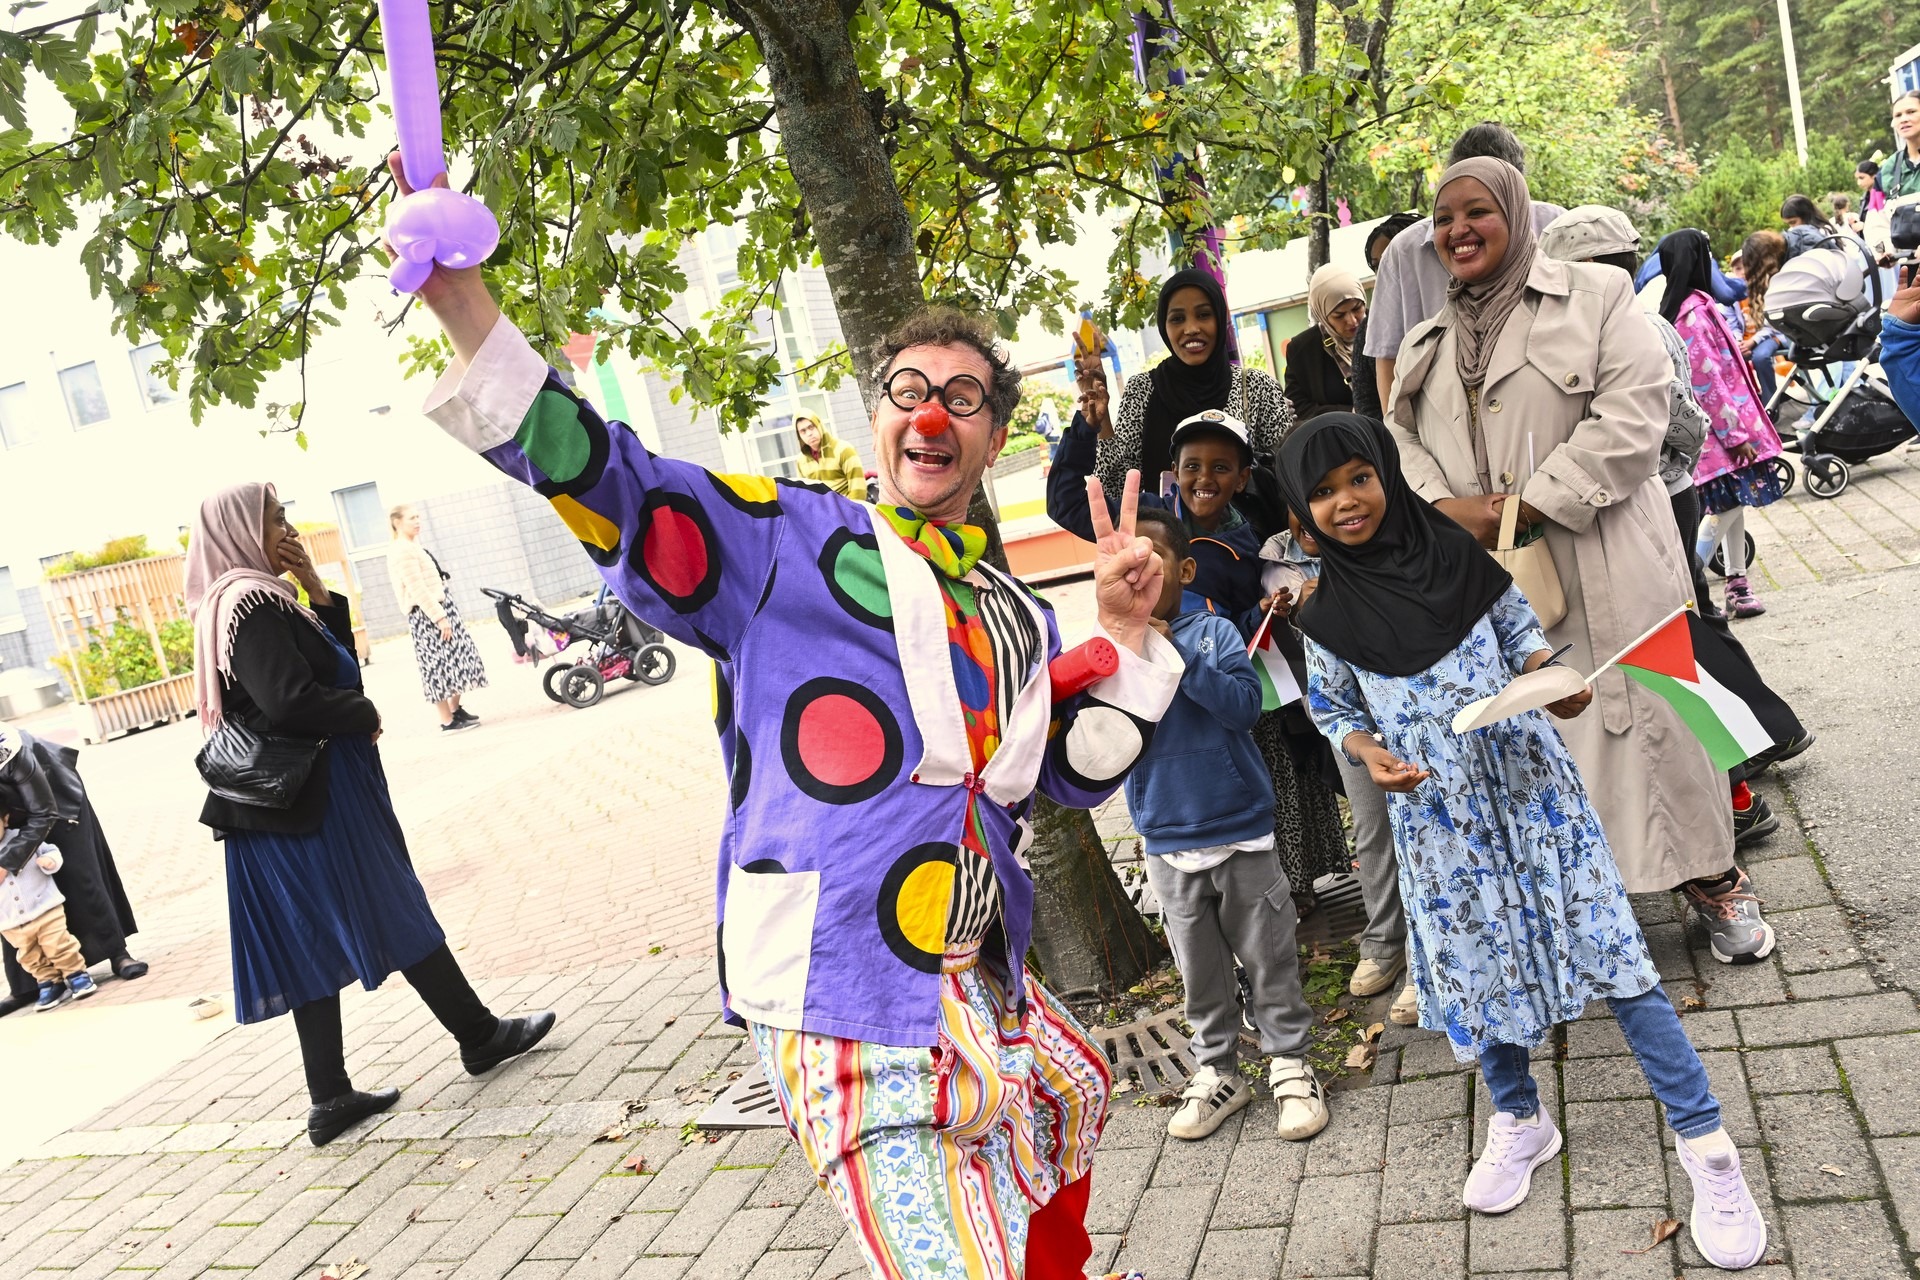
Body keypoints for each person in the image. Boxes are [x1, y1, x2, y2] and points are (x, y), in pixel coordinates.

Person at [393, 152, 1184, 1280]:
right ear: (876, 421)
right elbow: (620, 484)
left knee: (1071, 1092)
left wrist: (1128, 633)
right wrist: (461, 302)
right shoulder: (785, 542)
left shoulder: (1011, 612)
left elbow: (1069, 772)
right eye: (909, 390)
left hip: (976, 979)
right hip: (841, 993)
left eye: (963, 398)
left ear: (993, 439)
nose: (931, 413)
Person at [1281, 413, 1768, 1270]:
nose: (1345, 501)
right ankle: (1518, 1117)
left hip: (1534, 798)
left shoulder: (1460, 560)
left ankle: (1708, 1147)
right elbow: (1336, 712)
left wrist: (1555, 681)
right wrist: (1368, 754)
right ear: (1301, 510)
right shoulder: (1324, 616)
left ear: (1388, 474)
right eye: (1321, 492)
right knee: (1474, 969)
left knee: (1618, 958)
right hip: (1438, 824)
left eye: (1359, 476)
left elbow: (1520, 638)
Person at [1384, 156, 1774, 963]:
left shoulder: (1596, 300)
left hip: (1612, 564)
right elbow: (1401, 444)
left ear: (1517, 214)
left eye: (1477, 210)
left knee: (1663, 723)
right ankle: (1594, 909)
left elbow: (1634, 417)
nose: (1458, 229)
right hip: (1502, 582)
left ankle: (1714, 879)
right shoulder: (1427, 342)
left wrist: (1532, 502)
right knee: (1549, 739)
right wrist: (1446, 508)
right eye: (1444, 217)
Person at [188, 482, 556, 1146]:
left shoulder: (247, 600)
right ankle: (478, 1035)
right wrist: (366, 715)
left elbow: (334, 665)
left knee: (310, 937)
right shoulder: (253, 607)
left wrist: (313, 584)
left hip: (281, 809)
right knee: (391, 901)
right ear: (241, 529)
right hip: (315, 801)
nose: (288, 529)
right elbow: (295, 701)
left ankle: (331, 1098)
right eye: (275, 519)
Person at [1541, 207, 1811, 853]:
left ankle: (1739, 777)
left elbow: (1671, 420)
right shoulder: (1652, 323)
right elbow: (1687, 422)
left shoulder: (1607, 333)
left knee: (1670, 641)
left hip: (1642, 507)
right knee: (1689, 624)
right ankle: (1761, 742)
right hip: (1674, 494)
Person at [1123, 507, 1329, 1144]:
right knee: (1199, 971)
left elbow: (1242, 708)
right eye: (1127, 567)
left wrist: (1175, 649)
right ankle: (1217, 1070)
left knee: (1269, 957)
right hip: (1166, 832)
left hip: (1241, 828)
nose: (1141, 576)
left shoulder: (1211, 633)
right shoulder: (1114, 649)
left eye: (1153, 561)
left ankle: (1290, 1062)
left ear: (1184, 569)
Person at [1259, 512, 1413, 1023]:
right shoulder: (1274, 556)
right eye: (1309, 493)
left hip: (1416, 708)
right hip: (1347, 717)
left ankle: (1430, 961)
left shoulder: (1396, 542)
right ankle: (1386, 942)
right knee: (1372, 830)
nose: (1322, 509)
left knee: (1430, 827)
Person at [1363, 123, 1567, 414]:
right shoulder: (1404, 251)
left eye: (1485, 207)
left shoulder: (1557, 227)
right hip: (1440, 429)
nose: (1461, 229)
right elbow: (1387, 357)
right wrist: (1400, 445)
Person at [1658, 229, 1787, 620]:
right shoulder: (1694, 314)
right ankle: (1691, 572)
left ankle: (1737, 583)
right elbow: (1708, 381)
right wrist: (1736, 436)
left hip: (1725, 430)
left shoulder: (1690, 306)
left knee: (1732, 504)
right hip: (1722, 434)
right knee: (1725, 507)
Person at [1093, 267, 1294, 502]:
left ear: (1220, 319)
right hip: (1162, 537)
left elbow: (1291, 475)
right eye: (1177, 319)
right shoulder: (1141, 390)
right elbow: (1118, 489)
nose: (1191, 329)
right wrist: (1102, 419)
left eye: (1204, 315)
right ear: (1164, 326)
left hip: (1245, 537)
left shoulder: (1256, 387)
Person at [0, 724, 146, 1015]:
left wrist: (6, 862)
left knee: (79, 875)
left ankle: (117, 953)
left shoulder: (11, 747)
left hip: (56, 800)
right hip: (8, 814)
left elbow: (44, 812)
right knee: (12, 898)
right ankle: (27, 984)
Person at [385, 505, 487, 732]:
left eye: (418, 517)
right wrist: (439, 617)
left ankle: (454, 710)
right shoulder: (402, 550)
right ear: (397, 522)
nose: (418, 521)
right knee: (436, 668)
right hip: (427, 614)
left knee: (461, 659)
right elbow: (417, 588)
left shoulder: (412, 546)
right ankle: (447, 721)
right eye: (412, 518)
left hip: (439, 608)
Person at [0, 831, 98, 1010]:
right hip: (10, 921)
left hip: (44, 907)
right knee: (30, 956)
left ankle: (76, 974)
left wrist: (49, 862)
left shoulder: (22, 837)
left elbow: (50, 850)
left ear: (5, 819)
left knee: (58, 943)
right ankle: (50, 983)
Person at [1352, 213, 1422, 421]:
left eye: (1394, 259)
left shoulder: (1460, 303)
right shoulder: (1369, 330)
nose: (1385, 271)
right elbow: (1367, 404)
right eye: (1377, 265)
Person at [1284, 264, 1367, 420]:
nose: (1352, 320)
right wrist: (1350, 413)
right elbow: (1299, 407)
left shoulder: (1383, 329)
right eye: (1339, 315)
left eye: (1357, 308)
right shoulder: (1303, 350)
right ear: (1322, 314)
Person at [793, 413, 867, 499]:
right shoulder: (800, 461)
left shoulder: (844, 449)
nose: (809, 433)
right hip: (820, 511)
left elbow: (858, 488)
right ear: (799, 435)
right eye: (803, 431)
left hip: (846, 508)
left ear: (819, 426)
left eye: (811, 427)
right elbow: (804, 495)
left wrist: (852, 512)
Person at [1879, 92, 1920, 201]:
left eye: (1911, 112)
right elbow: (1877, 212)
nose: (1903, 119)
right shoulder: (1889, 168)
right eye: (1898, 115)